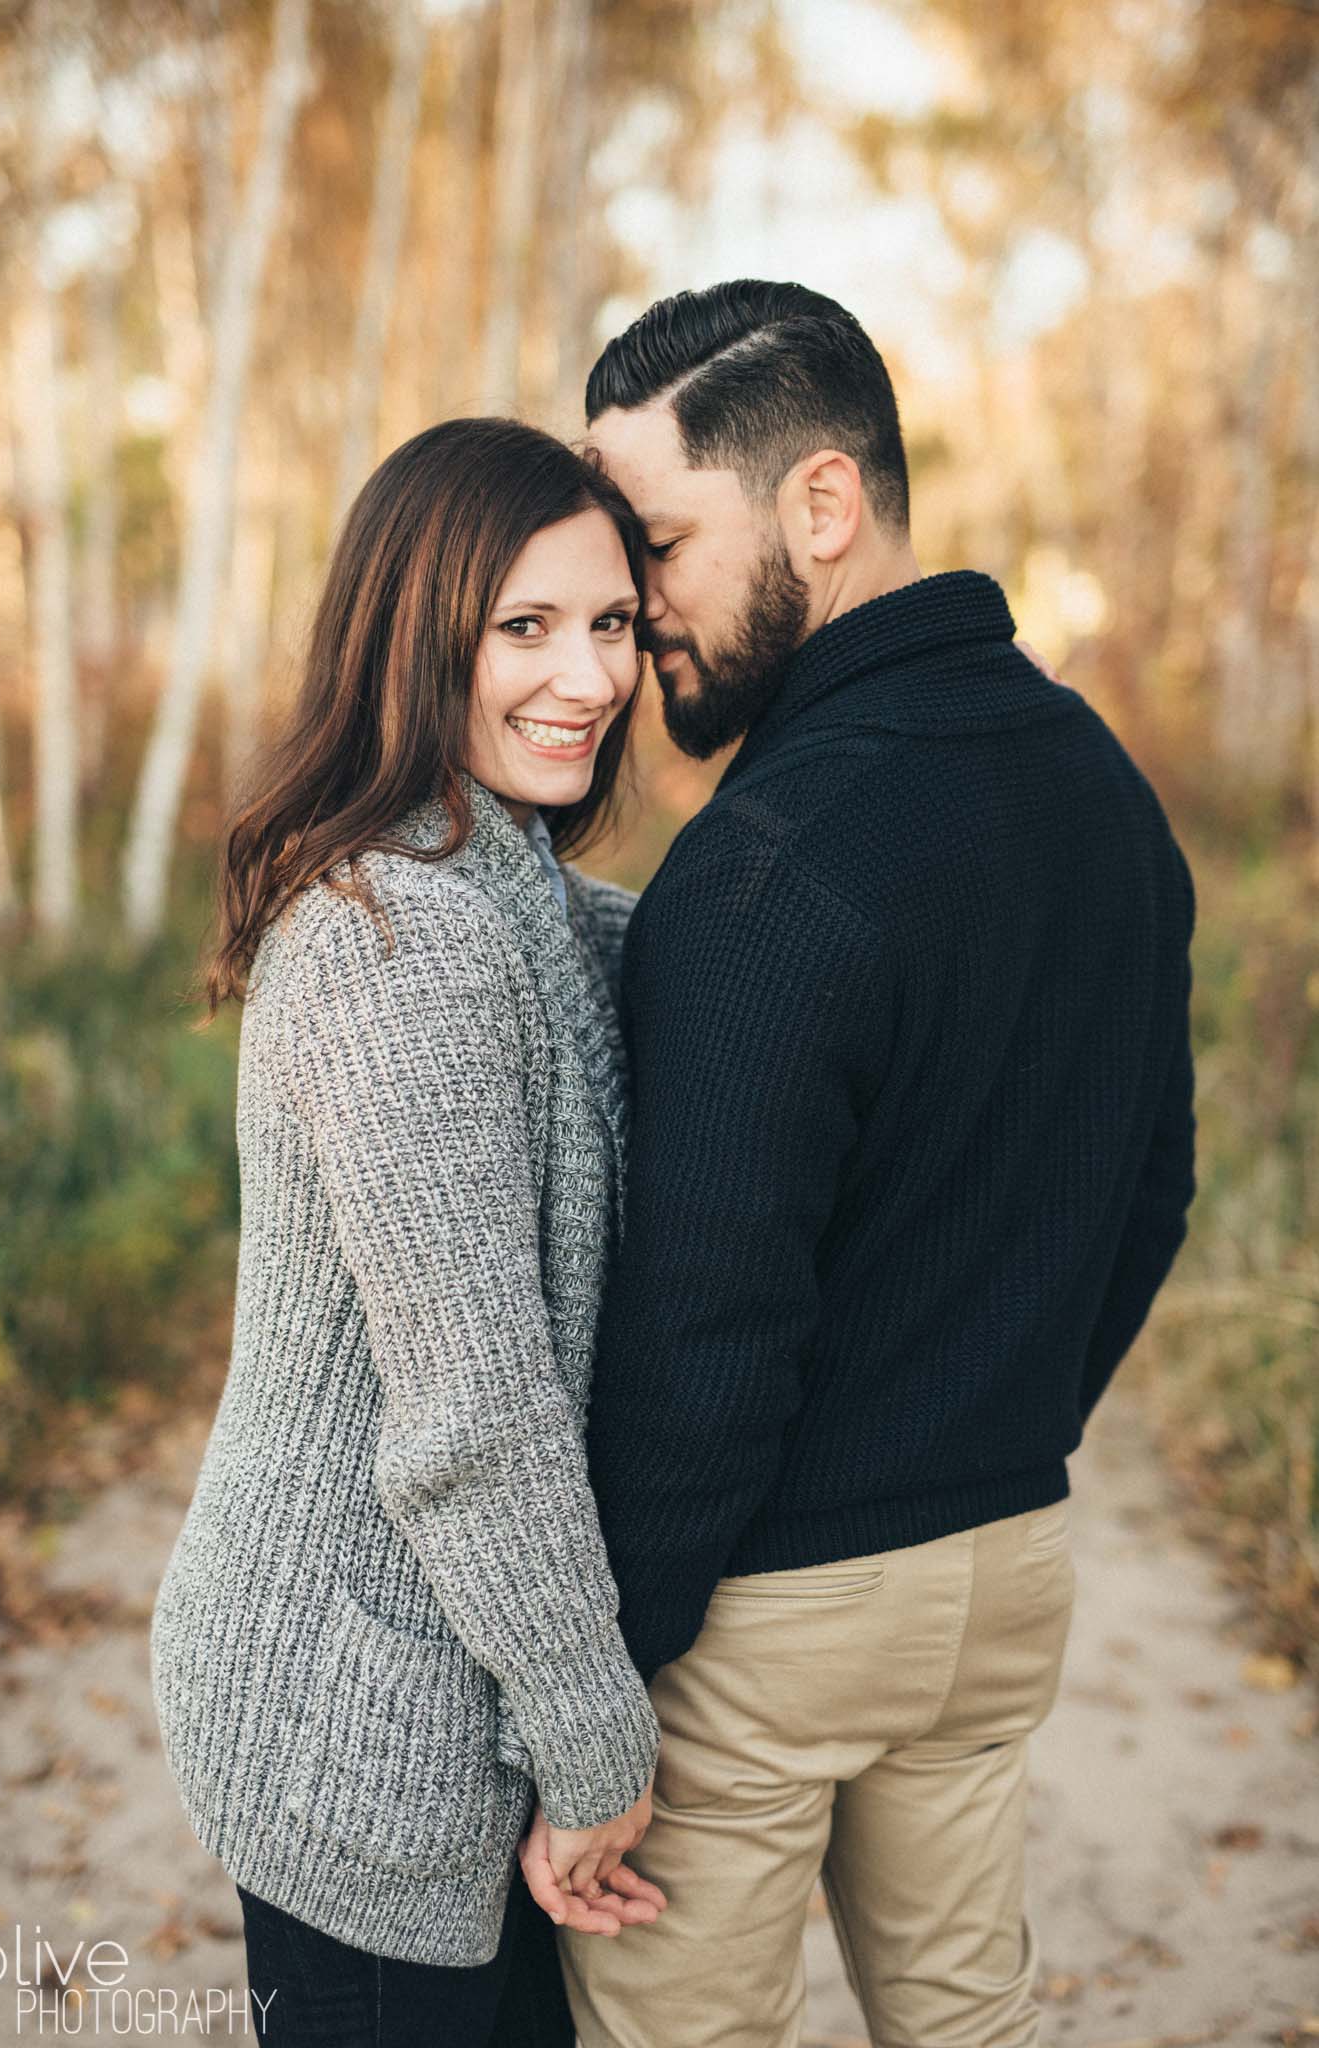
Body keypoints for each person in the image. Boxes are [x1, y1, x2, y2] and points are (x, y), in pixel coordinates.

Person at [555, 280, 1198, 2048]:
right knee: (968, 2023)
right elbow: (1152, 1195)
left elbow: (705, 1339)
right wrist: (995, 1429)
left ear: (820, 508)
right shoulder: (1105, 793)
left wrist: (607, 1679)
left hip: (773, 1601)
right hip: (1007, 1567)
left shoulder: (765, 867)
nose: (635, 610)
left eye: (659, 544)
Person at [148, 417, 669, 2048]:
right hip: (354, 1721)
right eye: (526, 628)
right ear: (413, 634)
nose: (587, 677)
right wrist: (597, 1751)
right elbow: (471, 1417)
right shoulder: (400, 945)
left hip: (430, 1687)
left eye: (614, 626)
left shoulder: (497, 881)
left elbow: (695, 952)